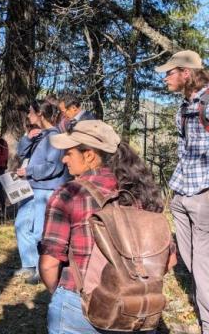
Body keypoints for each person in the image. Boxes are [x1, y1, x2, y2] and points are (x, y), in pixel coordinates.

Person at [38, 120, 176, 333]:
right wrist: (133, 287)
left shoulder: (68, 194)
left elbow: (49, 265)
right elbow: (169, 260)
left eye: (69, 153)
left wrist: (62, 295)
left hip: (80, 307)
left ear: (90, 155)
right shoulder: (143, 193)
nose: (64, 159)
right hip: (136, 310)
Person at [156, 49, 209, 333]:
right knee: (192, 262)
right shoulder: (184, 106)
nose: (165, 78)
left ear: (186, 73)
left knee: (203, 264)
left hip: (204, 194)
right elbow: (185, 148)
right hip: (182, 194)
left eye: (169, 72)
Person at [15, 100, 69, 284]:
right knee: (21, 224)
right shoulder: (38, 135)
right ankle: (28, 264)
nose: (28, 115)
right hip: (32, 187)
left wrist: (28, 171)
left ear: (40, 114)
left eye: (31, 112)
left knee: (40, 231)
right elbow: (21, 154)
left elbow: (53, 167)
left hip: (47, 189)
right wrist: (27, 138)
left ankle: (41, 270)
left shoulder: (56, 137)